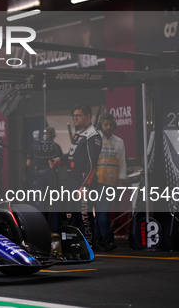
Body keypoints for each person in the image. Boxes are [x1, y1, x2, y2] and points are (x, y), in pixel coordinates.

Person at [50, 105, 102, 234]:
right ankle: (73, 247)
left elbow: (91, 164)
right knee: (71, 216)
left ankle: (89, 246)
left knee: (84, 217)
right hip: (72, 182)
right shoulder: (78, 133)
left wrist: (85, 185)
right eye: (74, 116)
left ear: (88, 116)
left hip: (83, 182)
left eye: (78, 115)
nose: (75, 118)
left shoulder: (93, 135)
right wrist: (59, 160)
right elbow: (73, 155)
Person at [93, 113, 126, 251]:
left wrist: (120, 180)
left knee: (102, 212)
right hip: (97, 180)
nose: (108, 127)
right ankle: (106, 238)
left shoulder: (119, 141)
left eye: (111, 125)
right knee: (103, 211)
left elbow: (122, 162)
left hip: (112, 180)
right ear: (101, 125)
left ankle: (98, 240)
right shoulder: (95, 140)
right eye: (106, 124)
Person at [27, 126, 63, 231]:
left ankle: (44, 231)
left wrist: (37, 167)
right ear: (53, 135)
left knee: (42, 205)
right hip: (53, 177)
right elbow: (61, 162)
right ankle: (57, 230)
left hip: (40, 177)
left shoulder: (35, 146)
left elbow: (28, 163)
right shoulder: (56, 147)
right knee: (56, 204)